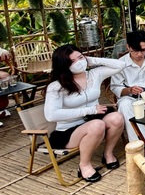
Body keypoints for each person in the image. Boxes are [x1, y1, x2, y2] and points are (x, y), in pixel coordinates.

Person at [44, 44, 126, 182]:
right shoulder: (57, 86)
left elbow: (121, 65)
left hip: (93, 120)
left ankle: (108, 154)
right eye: (72, 61)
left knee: (117, 118)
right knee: (97, 125)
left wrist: (92, 60)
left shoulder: (94, 74)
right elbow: (51, 115)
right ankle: (84, 165)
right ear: (64, 65)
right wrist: (91, 110)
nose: (78, 63)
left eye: (80, 57)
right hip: (68, 131)